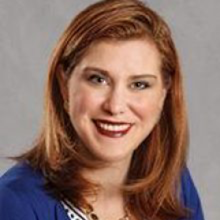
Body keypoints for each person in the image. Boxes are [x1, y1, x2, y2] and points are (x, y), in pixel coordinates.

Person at [0, 0, 204, 219]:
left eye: (139, 84)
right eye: (98, 79)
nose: (115, 106)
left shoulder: (173, 185)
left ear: (164, 92)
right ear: (63, 83)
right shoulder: (14, 203)